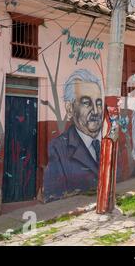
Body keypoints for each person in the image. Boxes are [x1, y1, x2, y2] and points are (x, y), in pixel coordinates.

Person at [44, 69, 103, 201]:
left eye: (99, 103)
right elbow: (54, 192)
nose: (95, 111)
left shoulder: (111, 143)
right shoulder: (58, 148)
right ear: (70, 109)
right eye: (86, 102)